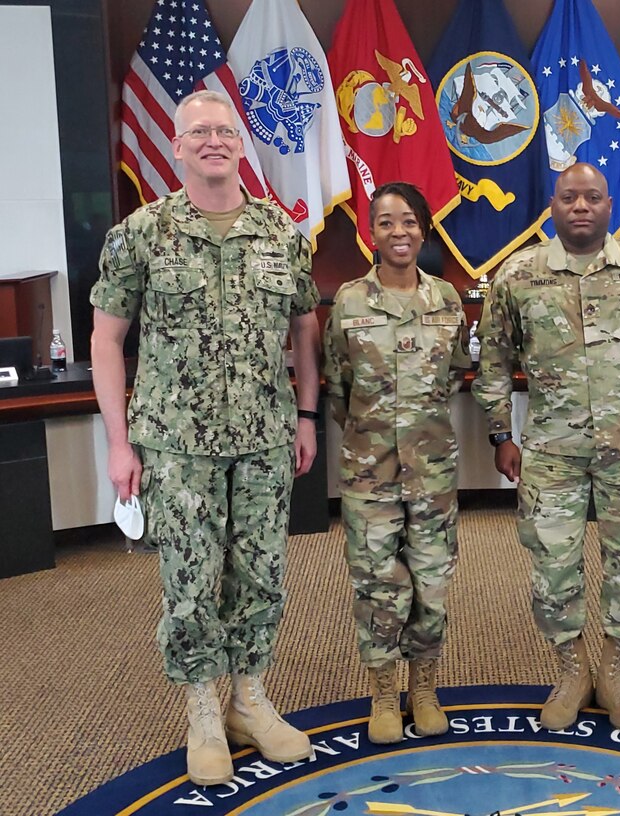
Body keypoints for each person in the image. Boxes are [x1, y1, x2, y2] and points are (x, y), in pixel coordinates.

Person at [90, 90, 319, 786]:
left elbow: (304, 330)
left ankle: (249, 699)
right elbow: (107, 338)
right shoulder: (141, 234)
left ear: (240, 144)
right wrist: (120, 443)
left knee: (260, 575)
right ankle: (202, 710)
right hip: (176, 443)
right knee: (189, 582)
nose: (214, 140)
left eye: (224, 130)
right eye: (200, 132)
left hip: (264, 440)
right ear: (178, 146)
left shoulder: (282, 234)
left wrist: (306, 416)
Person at [473, 163, 620, 731]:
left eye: (592, 197)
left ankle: (616, 670)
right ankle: (571, 669)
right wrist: (502, 433)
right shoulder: (518, 274)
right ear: (552, 204)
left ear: (609, 205)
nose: (580, 206)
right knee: (553, 568)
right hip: (551, 449)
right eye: (569, 196)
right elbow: (494, 360)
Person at [323, 182, 470, 745]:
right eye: (386, 223)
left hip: (432, 473)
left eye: (408, 221)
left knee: (431, 584)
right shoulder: (349, 302)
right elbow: (339, 388)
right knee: (377, 585)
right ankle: (384, 693)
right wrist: (375, 435)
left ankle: (425, 688)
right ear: (372, 233)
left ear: (424, 229)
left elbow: (455, 374)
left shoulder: (448, 301)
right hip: (369, 471)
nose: (398, 233)